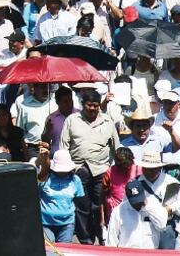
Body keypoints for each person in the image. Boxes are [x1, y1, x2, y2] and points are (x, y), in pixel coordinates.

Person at [59, 89, 120, 244]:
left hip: (101, 170)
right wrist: (69, 168)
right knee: (81, 206)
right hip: (78, 169)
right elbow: (63, 146)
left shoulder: (107, 121)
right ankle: (86, 240)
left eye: (95, 105)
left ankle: (103, 238)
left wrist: (109, 166)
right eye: (89, 105)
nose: (92, 108)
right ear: (82, 105)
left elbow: (116, 148)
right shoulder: (72, 120)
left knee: (100, 206)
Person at [106, 179, 168, 248]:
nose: (137, 204)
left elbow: (162, 226)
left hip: (149, 253)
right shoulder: (118, 211)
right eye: (135, 202)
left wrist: (147, 207)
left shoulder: (154, 204)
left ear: (144, 193)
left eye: (139, 200)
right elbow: (111, 240)